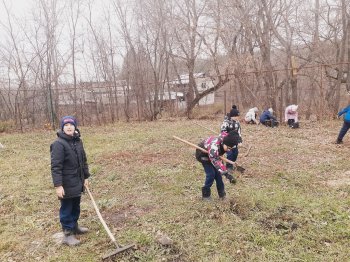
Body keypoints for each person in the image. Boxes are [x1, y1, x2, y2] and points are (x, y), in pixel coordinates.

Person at [50, 116, 91, 246]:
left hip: (77, 181)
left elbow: (83, 161)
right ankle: (67, 234)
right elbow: (56, 167)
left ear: (75, 127)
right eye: (66, 125)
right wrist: (58, 185)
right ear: (62, 128)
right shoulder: (58, 144)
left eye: (71, 124)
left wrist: (85, 177)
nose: (69, 127)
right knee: (67, 208)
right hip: (66, 183)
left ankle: (74, 226)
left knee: (76, 205)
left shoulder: (77, 141)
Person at [195, 131, 240, 200]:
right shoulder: (214, 147)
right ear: (224, 143)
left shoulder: (226, 139)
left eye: (230, 149)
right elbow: (216, 162)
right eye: (228, 148)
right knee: (211, 174)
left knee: (218, 176)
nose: (228, 150)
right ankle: (205, 194)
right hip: (203, 154)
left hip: (214, 155)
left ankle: (222, 195)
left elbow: (230, 134)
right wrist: (227, 175)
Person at [220, 108, 242, 174]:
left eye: (237, 116)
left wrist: (239, 141)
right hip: (227, 142)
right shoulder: (226, 123)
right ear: (232, 116)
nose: (236, 118)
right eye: (235, 116)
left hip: (234, 142)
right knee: (230, 154)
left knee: (235, 153)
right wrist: (226, 140)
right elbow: (223, 132)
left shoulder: (237, 123)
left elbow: (239, 133)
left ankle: (232, 163)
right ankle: (229, 167)